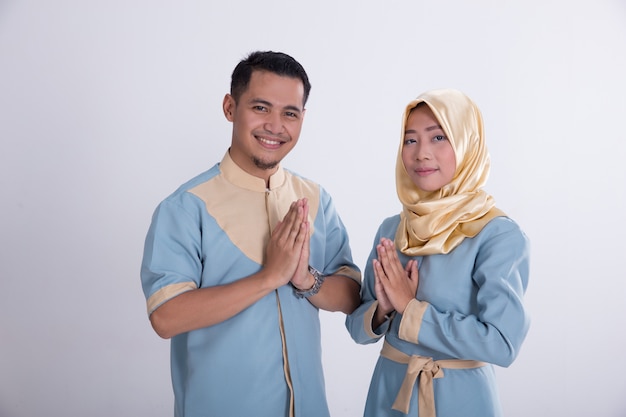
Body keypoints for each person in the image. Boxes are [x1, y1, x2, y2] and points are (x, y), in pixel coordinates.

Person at [141, 51, 361, 417]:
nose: (275, 125)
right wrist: (269, 278)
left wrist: (306, 279)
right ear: (230, 107)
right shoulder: (185, 207)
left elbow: (353, 297)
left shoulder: (317, 201)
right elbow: (166, 317)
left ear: (303, 118)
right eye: (261, 108)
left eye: (290, 113)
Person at [346, 89, 530, 417]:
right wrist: (384, 310)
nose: (421, 154)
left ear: (466, 144)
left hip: (461, 399)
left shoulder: (497, 234)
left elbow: (503, 344)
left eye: (438, 137)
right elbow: (356, 330)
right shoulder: (392, 229)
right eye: (410, 140)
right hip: (389, 395)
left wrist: (411, 309)